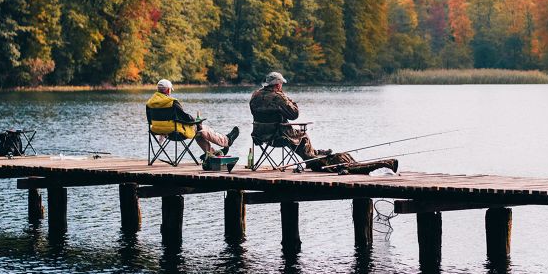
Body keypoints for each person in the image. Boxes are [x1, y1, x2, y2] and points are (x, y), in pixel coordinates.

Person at [249, 71, 398, 174]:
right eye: (281, 84)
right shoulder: (278, 97)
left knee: (300, 139)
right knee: (303, 136)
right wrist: (287, 98)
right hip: (279, 136)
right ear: (277, 85)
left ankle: (316, 155)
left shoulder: (255, 95)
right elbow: (294, 115)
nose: (282, 86)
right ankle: (314, 159)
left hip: (260, 135)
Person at [146, 79, 239, 158]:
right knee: (202, 129)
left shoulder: (150, 103)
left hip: (159, 131)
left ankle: (212, 153)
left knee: (199, 131)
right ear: (167, 90)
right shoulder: (172, 102)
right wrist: (195, 121)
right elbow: (185, 117)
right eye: (170, 90)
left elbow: (149, 121)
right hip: (176, 133)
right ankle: (227, 140)